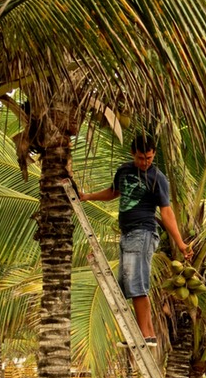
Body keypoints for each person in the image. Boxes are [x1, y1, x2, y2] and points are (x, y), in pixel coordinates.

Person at [80, 134, 192, 346]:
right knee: (126, 284)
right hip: (127, 233)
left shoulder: (158, 178)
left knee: (136, 283)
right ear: (133, 154)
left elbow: (167, 213)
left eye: (149, 158)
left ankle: (144, 335)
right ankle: (147, 334)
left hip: (143, 233)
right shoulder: (124, 171)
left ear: (153, 154)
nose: (145, 162)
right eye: (141, 158)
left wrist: (180, 243)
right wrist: (87, 196)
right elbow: (113, 192)